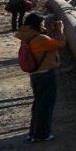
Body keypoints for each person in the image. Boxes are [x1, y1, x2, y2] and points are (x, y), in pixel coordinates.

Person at [19, 13, 64, 142]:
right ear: (37, 25)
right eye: (42, 24)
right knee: (46, 105)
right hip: (45, 75)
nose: (43, 26)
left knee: (39, 104)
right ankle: (42, 134)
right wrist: (60, 31)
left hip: (35, 76)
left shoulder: (27, 37)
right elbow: (60, 44)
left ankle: (34, 132)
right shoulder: (40, 39)